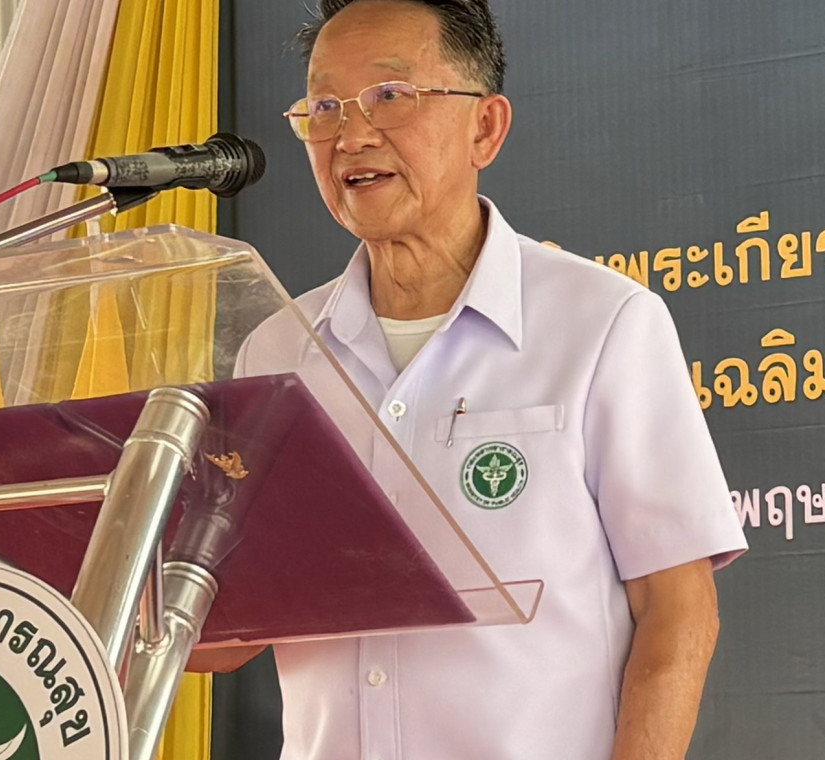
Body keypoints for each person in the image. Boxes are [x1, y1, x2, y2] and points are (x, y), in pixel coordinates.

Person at [233, 1, 748, 758]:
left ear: (485, 127)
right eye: (324, 107)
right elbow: (227, 633)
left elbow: (677, 610)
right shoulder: (277, 350)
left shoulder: (602, 323)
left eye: (389, 96)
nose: (350, 135)